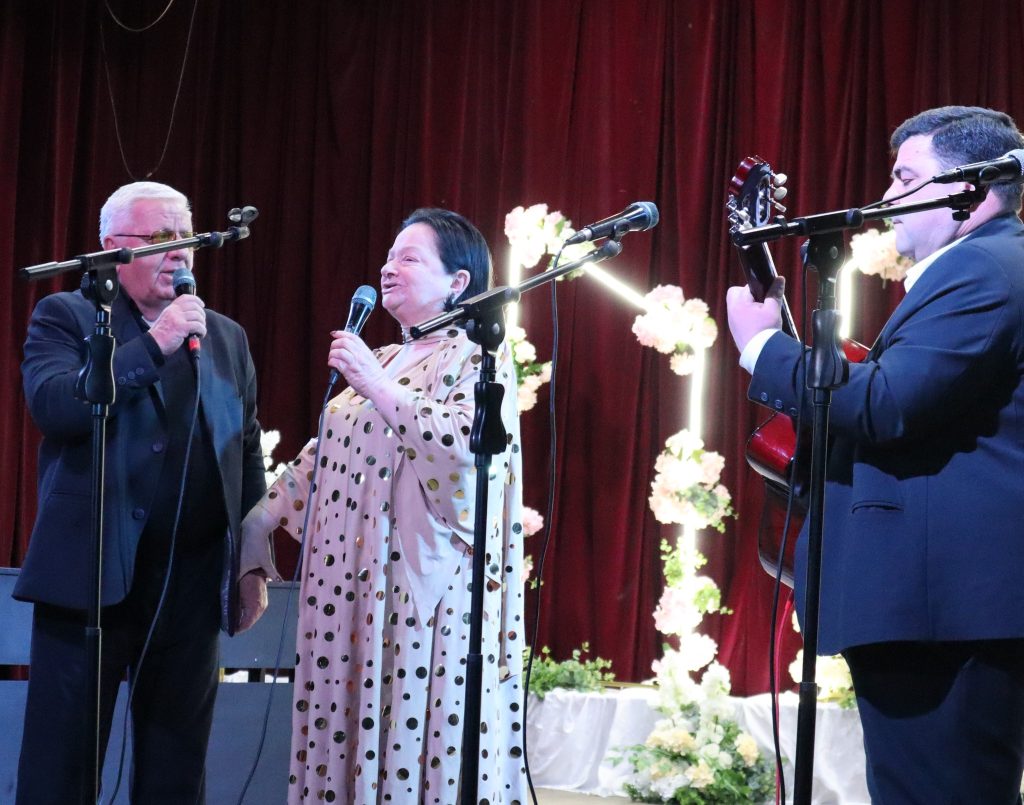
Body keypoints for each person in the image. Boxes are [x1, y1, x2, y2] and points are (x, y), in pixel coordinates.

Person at [727, 106, 1024, 803]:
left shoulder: (983, 268)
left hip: (944, 611)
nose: (887, 195)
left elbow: (887, 403)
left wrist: (762, 346)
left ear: (972, 188)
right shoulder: (979, 267)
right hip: (936, 609)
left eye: (907, 178)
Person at [238, 208, 527, 803]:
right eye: (389, 257)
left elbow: (467, 459)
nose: (387, 269)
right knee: (341, 737)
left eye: (409, 258)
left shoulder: (477, 359)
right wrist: (259, 522)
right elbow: (325, 454)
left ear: (458, 282)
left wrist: (374, 384)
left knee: (401, 738)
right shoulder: (389, 357)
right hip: (344, 592)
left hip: (415, 601)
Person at [15, 181, 266, 804]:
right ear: (111, 248)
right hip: (92, 578)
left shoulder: (225, 336)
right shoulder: (68, 316)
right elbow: (56, 407)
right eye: (158, 238)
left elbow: (245, 452)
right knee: (62, 768)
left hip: (190, 586)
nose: (178, 252)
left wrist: (251, 564)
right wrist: (154, 343)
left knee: (175, 773)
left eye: (185, 237)